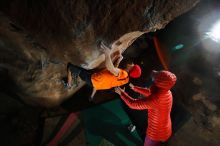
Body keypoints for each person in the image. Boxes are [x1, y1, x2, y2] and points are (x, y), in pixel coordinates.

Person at [115, 70, 177, 146]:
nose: (154, 78)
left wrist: (122, 93)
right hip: (166, 129)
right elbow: (151, 93)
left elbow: (133, 104)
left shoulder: (156, 99)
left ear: (160, 83)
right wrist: (135, 88)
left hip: (156, 134)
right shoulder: (167, 92)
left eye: (157, 78)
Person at [66, 42, 142, 100]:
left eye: (133, 65)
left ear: (131, 69)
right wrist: (118, 60)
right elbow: (114, 72)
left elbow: (110, 68)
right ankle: (91, 95)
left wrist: (107, 53)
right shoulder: (126, 79)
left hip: (94, 79)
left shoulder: (124, 74)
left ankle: (68, 84)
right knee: (93, 80)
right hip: (100, 83)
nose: (132, 64)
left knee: (70, 67)